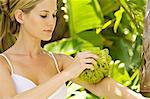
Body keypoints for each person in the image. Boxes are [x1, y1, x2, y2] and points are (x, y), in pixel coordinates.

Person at [0, 0, 146, 99]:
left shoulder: (59, 61)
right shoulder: (4, 63)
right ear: (20, 16)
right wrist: (67, 74)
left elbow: (102, 86)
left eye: (54, 15)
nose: (51, 22)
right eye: (43, 15)